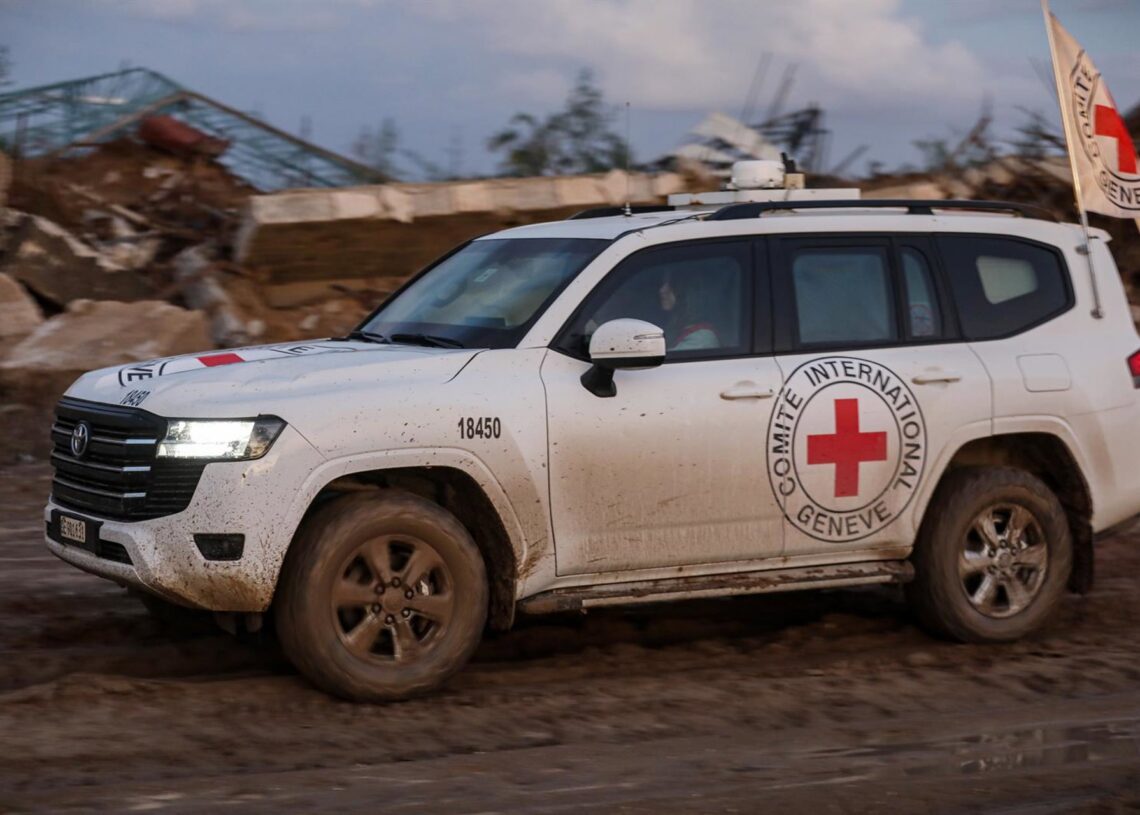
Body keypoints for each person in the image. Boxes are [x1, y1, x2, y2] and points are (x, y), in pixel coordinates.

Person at [658, 272, 721, 351]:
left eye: (672, 283)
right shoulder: (676, 330)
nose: (662, 290)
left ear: (687, 290)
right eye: (663, 283)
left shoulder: (703, 338)